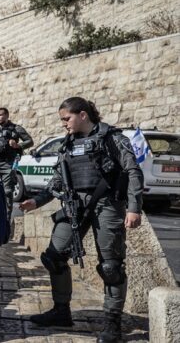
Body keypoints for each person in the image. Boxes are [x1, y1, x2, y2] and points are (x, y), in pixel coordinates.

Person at [19, 97, 143, 343]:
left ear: (83, 115)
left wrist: (133, 208)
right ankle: (61, 311)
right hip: (75, 205)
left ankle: (112, 325)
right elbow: (57, 179)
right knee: (53, 257)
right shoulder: (68, 144)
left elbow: (132, 171)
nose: (64, 124)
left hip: (106, 204)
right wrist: (37, 201)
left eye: (67, 118)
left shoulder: (112, 139)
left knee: (111, 266)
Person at [0, 107, 33, 221]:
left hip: (8, 164)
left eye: (0, 115)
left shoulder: (16, 129)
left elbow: (30, 141)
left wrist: (18, 146)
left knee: (7, 192)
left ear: (7, 115)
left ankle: (6, 222)